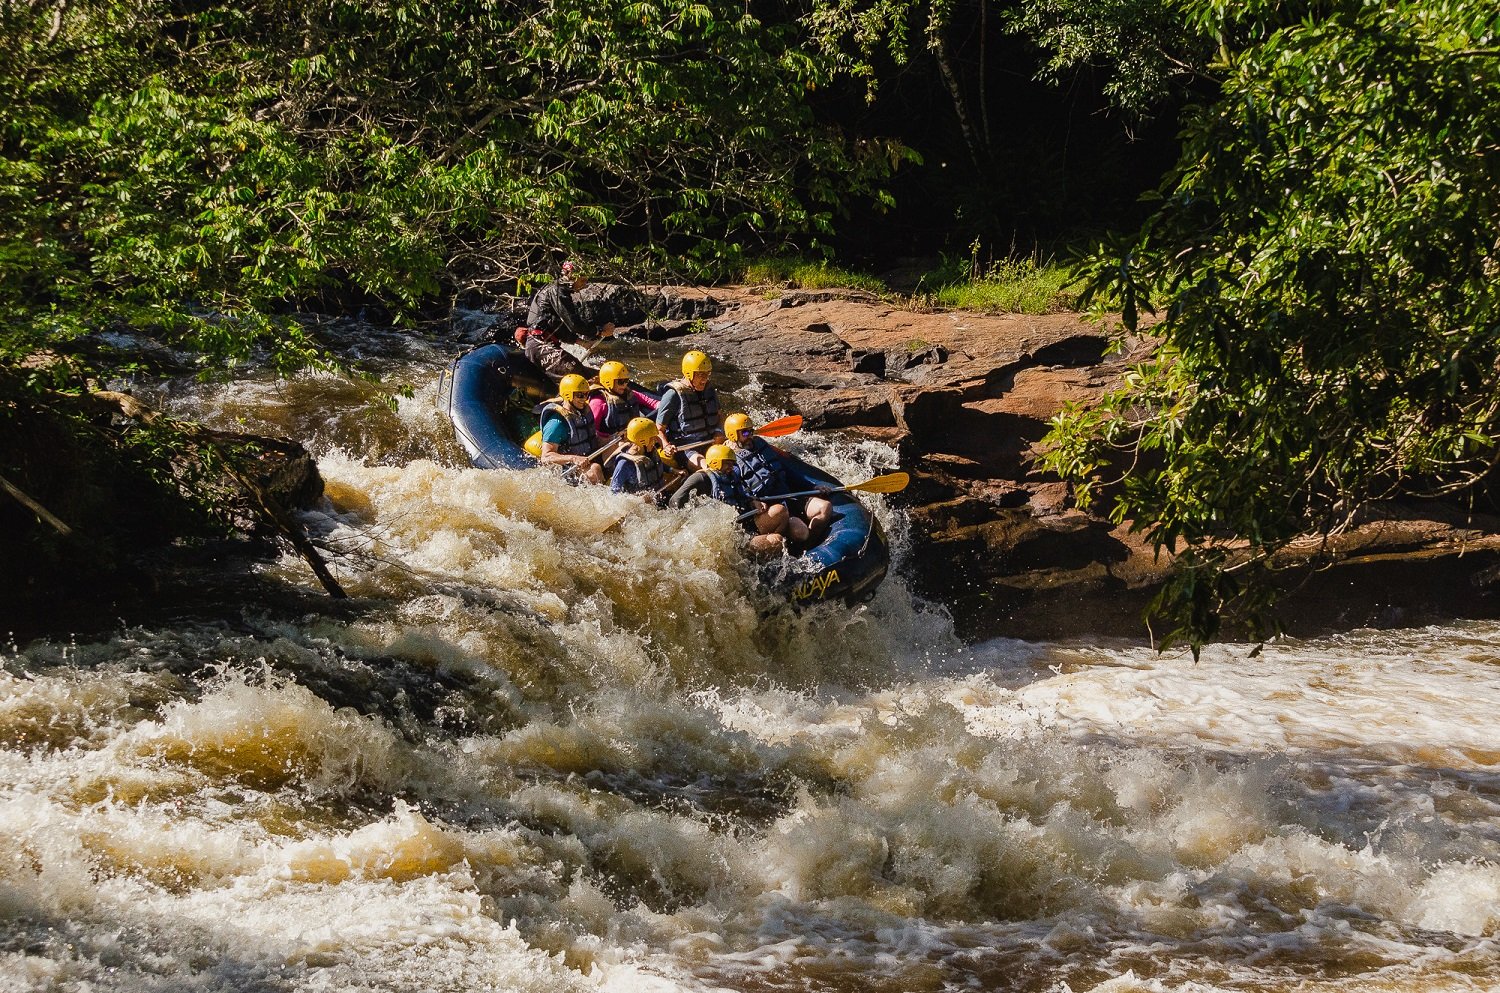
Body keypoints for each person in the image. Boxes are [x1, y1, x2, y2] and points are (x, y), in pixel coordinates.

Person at [724, 412, 835, 545]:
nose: (750, 436)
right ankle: (796, 543)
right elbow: (733, 490)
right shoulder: (729, 460)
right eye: (745, 433)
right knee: (801, 532)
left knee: (825, 507)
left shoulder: (759, 444)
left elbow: (785, 470)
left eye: (751, 431)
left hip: (788, 496)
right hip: (769, 510)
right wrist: (751, 501)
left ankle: (810, 546)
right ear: (732, 435)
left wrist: (812, 486)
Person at [669, 443, 787, 556]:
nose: (732, 467)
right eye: (728, 463)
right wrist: (689, 522)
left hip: (744, 523)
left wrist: (752, 501)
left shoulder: (731, 475)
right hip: (731, 536)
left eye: (732, 464)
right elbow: (675, 501)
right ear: (715, 463)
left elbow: (740, 494)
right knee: (777, 540)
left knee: (780, 511)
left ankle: (761, 551)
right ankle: (751, 554)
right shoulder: (700, 478)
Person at [514, 261, 615, 381]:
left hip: (539, 346)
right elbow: (574, 324)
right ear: (571, 276)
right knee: (580, 375)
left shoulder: (557, 291)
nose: (584, 284)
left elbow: (555, 324)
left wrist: (582, 343)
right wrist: (599, 331)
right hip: (539, 345)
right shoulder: (557, 291)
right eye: (582, 280)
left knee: (586, 373)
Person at [655, 350, 722, 470]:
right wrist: (666, 445)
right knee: (710, 469)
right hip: (686, 448)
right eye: (701, 374)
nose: (705, 379)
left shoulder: (709, 390)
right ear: (689, 374)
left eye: (707, 374)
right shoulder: (673, 394)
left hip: (711, 442)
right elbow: (659, 429)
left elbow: (719, 416)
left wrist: (718, 431)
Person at [537, 373, 606, 484]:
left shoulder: (582, 412)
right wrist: (574, 458)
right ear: (568, 395)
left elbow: (592, 438)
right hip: (569, 468)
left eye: (586, 394)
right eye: (580, 395)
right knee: (595, 470)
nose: (584, 399)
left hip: (589, 458)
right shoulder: (556, 423)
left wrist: (613, 438)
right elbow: (546, 457)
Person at [610, 417, 675, 505]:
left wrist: (673, 470)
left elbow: (656, 465)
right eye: (652, 438)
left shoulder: (651, 450)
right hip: (641, 506)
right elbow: (613, 492)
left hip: (659, 497)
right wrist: (638, 500)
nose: (655, 440)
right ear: (642, 441)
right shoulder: (624, 464)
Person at [589, 361, 660, 438]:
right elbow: (592, 431)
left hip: (634, 434)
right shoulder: (598, 402)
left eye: (626, 381)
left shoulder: (629, 393)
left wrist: (662, 405)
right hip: (613, 440)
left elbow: (650, 402)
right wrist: (611, 436)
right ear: (608, 381)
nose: (625, 384)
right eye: (621, 382)